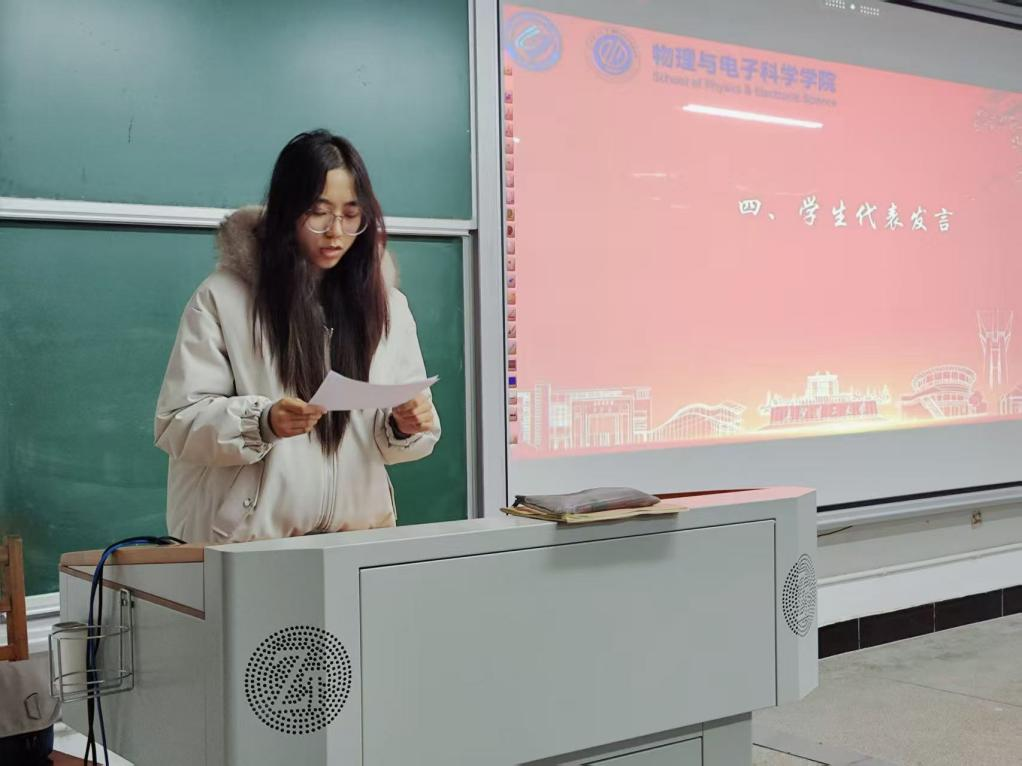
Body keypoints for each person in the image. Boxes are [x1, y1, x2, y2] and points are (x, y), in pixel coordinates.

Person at [154, 130, 440, 543]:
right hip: (250, 547)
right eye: (319, 213)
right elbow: (177, 423)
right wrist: (263, 422)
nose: (336, 232)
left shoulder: (387, 306)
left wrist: (405, 426)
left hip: (355, 543)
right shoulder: (224, 298)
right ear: (287, 211)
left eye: (351, 214)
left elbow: (404, 433)